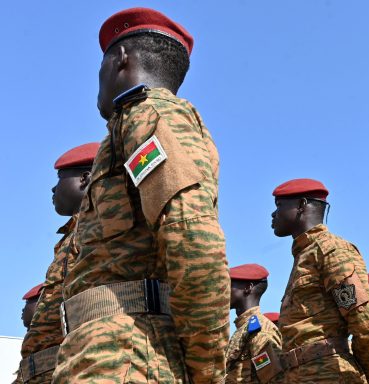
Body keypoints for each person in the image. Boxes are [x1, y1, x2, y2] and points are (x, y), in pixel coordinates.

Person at [53, 8, 229, 383]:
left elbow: (194, 239)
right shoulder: (130, 125)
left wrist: (207, 370)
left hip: (127, 356)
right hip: (108, 352)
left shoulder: (147, 115)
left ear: (120, 60)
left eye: (100, 66)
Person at [271, 178, 369, 383]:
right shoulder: (304, 255)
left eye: (279, 205)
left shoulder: (330, 250)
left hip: (330, 375)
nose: (273, 214)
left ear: (301, 205)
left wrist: (365, 375)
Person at [16, 143, 97, 384]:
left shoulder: (96, 230)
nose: (53, 189)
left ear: (85, 178)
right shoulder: (73, 235)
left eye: (60, 178)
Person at [226, 263, 283, 383]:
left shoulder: (260, 329)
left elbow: (274, 379)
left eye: (228, 285)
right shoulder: (243, 329)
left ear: (248, 287)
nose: (223, 291)